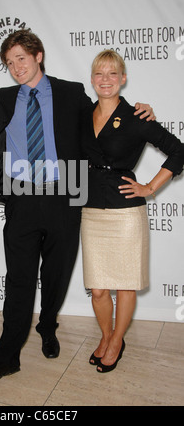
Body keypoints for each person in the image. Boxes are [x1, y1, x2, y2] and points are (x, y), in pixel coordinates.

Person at [0, 30, 155, 386]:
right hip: (21, 198)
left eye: (21, 59)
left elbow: (104, 117)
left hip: (65, 196)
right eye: (9, 63)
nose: (15, 68)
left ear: (38, 56)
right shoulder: (1, 98)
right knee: (19, 282)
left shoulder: (71, 92)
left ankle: (47, 325)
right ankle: (7, 358)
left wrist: (139, 111)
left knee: (56, 276)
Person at [80, 49, 184, 373]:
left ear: (123, 79)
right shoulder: (82, 114)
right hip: (91, 210)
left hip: (126, 213)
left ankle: (116, 341)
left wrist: (150, 188)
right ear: (93, 79)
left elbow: (178, 151)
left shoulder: (138, 117)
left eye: (113, 74)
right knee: (98, 288)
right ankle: (108, 335)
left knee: (124, 283)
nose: (106, 80)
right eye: (100, 74)